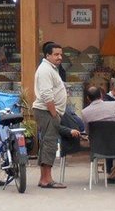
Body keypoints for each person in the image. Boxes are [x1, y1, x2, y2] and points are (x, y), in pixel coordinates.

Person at [82, 86, 115, 183]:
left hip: (99, 147)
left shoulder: (85, 112)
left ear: (88, 98)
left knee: (113, 145)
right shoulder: (114, 105)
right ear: (101, 96)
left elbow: (88, 132)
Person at [33, 41, 68, 188]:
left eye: (61, 54)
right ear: (48, 55)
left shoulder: (52, 68)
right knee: (50, 144)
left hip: (49, 112)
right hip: (46, 112)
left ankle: (44, 178)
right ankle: (46, 179)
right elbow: (47, 95)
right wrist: (54, 114)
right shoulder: (45, 70)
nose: (59, 57)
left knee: (48, 143)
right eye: (56, 54)